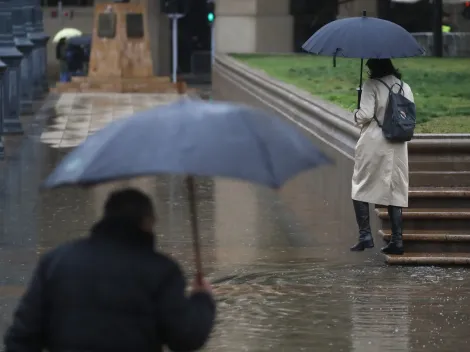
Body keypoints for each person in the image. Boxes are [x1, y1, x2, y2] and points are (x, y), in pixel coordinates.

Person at [4, 188, 216, 352]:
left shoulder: (56, 261)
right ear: (146, 222)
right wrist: (202, 299)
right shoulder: (161, 271)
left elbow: (22, 336)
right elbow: (185, 337)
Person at [349, 59, 414, 255]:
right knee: (396, 189)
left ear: (374, 68)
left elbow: (365, 115)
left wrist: (356, 111)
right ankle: (397, 241)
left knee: (360, 186)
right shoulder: (405, 86)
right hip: (398, 142)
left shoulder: (371, 85)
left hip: (374, 141)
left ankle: (365, 236)